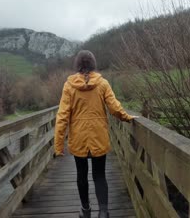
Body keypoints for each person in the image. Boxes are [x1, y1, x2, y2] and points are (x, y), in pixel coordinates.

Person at [54, 50, 137, 218]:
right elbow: (114, 107)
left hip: (78, 138)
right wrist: (127, 117)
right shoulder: (103, 83)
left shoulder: (69, 85)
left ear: (77, 64)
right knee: (99, 174)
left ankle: (85, 211)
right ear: (93, 64)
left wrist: (58, 145)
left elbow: (62, 116)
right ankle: (104, 212)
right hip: (99, 136)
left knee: (81, 175)